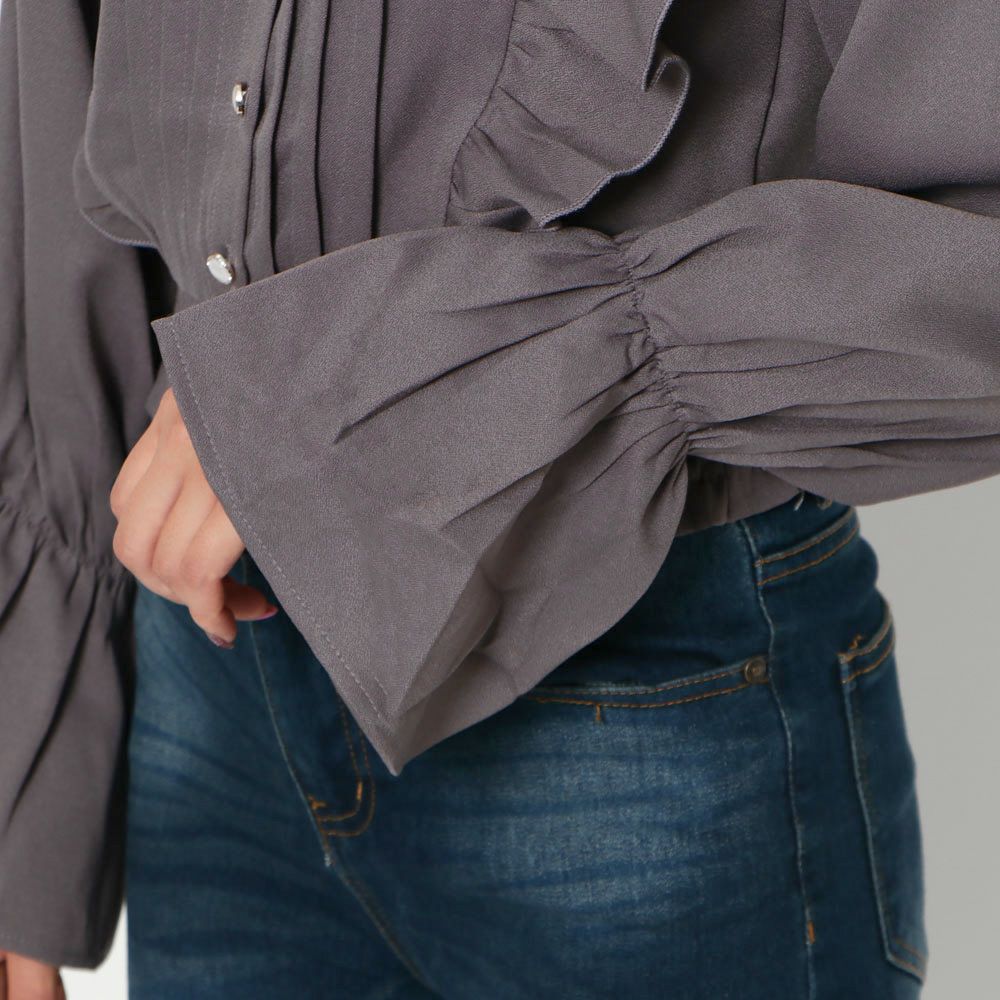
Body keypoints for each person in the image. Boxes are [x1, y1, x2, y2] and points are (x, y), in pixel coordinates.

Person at [1, 0, 998, 996]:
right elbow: (47, 85)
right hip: (205, 675)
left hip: (635, 669)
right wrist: (26, 799)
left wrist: (373, 399)